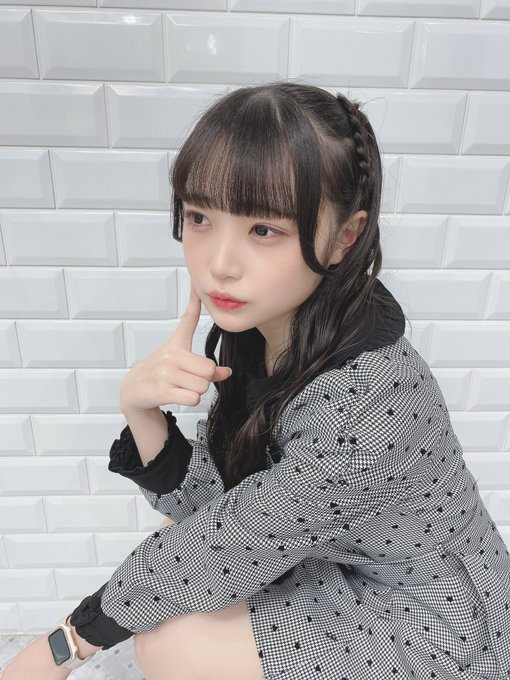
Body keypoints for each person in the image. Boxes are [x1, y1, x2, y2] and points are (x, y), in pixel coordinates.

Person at [4, 81, 510, 680]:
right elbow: (214, 510)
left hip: (443, 630)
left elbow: (228, 541)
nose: (219, 263)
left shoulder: (363, 405)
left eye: (263, 229)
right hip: (354, 571)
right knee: (176, 572)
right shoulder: (274, 331)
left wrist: (63, 646)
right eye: (200, 217)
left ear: (344, 237)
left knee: (172, 638)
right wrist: (141, 411)